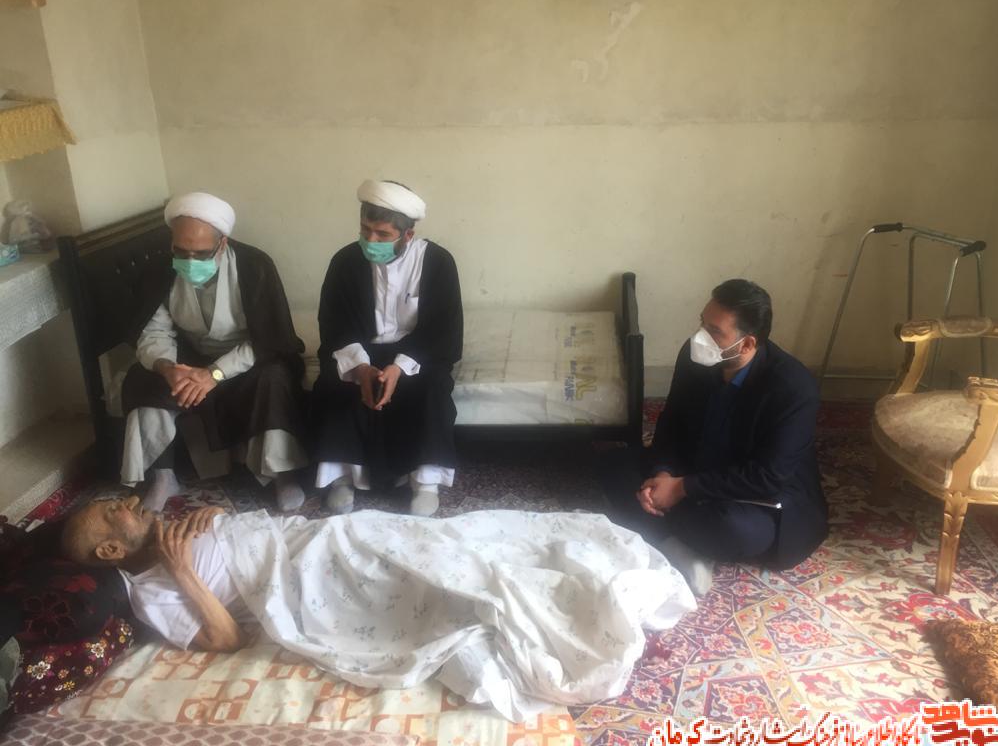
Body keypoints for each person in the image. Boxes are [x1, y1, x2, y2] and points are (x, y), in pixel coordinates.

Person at [59, 495, 694, 721]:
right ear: (112, 550)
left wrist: (218, 514)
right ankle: (570, 609)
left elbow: (243, 530)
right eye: (116, 512)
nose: (130, 503)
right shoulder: (153, 593)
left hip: (315, 536)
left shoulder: (172, 525)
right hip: (307, 578)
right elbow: (227, 640)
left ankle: (589, 572)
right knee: (439, 587)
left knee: (448, 539)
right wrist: (184, 572)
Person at [604, 279, 828, 595]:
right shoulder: (695, 356)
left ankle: (673, 533)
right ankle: (681, 547)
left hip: (749, 492)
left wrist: (682, 488)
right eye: (702, 323)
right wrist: (663, 473)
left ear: (747, 344)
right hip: (694, 465)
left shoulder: (793, 387)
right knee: (613, 466)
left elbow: (767, 477)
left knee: (733, 530)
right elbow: (671, 423)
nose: (700, 336)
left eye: (714, 331)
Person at [121, 193, 308, 513]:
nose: (190, 261)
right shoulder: (159, 270)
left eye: (201, 253)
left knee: (274, 376)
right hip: (189, 359)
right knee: (141, 378)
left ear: (222, 244)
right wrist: (169, 368)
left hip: (245, 360)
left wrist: (215, 374)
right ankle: (162, 477)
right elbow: (155, 332)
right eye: (181, 252)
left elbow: (268, 338)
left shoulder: (254, 265)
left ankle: (281, 474)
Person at [312, 180, 462, 517]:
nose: (371, 240)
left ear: (407, 235)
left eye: (382, 234)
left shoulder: (438, 262)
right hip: (360, 350)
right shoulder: (345, 261)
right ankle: (342, 479)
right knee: (335, 384)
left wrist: (399, 367)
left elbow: (444, 331)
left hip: (418, 354)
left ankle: (424, 483)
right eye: (365, 230)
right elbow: (334, 324)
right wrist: (361, 367)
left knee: (432, 388)